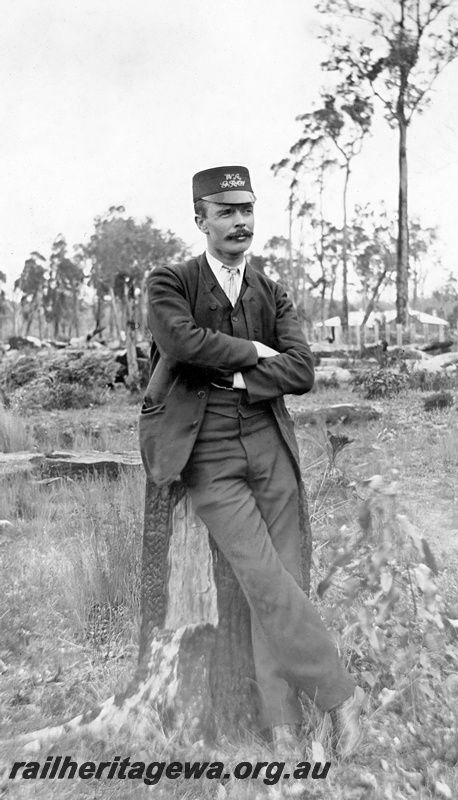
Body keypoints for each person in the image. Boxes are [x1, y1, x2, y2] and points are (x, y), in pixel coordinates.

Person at [140, 165, 365, 758]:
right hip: (205, 447)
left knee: (284, 576)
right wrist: (258, 352)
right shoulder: (169, 281)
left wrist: (239, 369)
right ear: (201, 220)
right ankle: (340, 695)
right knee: (261, 576)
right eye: (226, 212)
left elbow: (303, 371)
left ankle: (282, 723)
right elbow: (182, 343)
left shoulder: (272, 290)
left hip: (267, 438)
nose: (240, 223)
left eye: (246, 211)